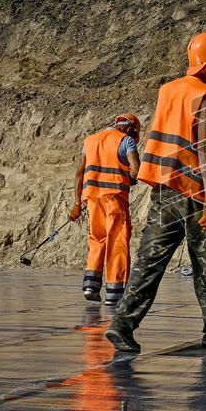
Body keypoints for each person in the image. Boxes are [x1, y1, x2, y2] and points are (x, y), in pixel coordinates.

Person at [105, 32, 206, 353]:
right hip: (195, 193)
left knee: (149, 261)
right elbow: (205, 148)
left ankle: (122, 324)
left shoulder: (168, 90)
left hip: (165, 189)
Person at [70, 114, 142, 305]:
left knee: (97, 240)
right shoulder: (126, 141)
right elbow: (136, 169)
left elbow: (79, 174)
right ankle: (115, 293)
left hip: (93, 200)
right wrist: (130, 178)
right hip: (115, 199)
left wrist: (77, 204)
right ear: (130, 129)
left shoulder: (90, 140)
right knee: (117, 242)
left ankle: (90, 286)